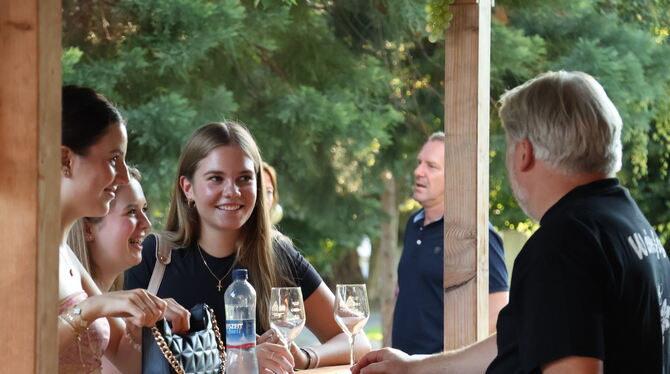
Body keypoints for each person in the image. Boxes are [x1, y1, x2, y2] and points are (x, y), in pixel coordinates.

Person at [352, 71, 670, 374]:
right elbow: (524, 341)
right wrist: (414, 367)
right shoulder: (627, 222)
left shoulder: (566, 243)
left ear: (523, 153)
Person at [125, 122, 371, 374]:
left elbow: (357, 341)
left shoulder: (278, 255)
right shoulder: (153, 257)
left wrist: (303, 357)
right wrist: (239, 361)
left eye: (244, 178)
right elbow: (120, 358)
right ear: (187, 188)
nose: (232, 191)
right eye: (216, 179)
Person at [58, 85, 189, 374]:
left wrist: (149, 318)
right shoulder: (17, 247)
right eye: (113, 159)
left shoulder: (63, 252)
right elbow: (14, 354)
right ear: (65, 160)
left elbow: (127, 361)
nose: (124, 176)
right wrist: (93, 308)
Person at [392, 132, 509, 354]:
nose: (418, 172)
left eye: (431, 166)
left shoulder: (476, 233)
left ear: (455, 175)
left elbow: (498, 311)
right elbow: (402, 295)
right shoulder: (413, 224)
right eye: (419, 163)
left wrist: (450, 361)